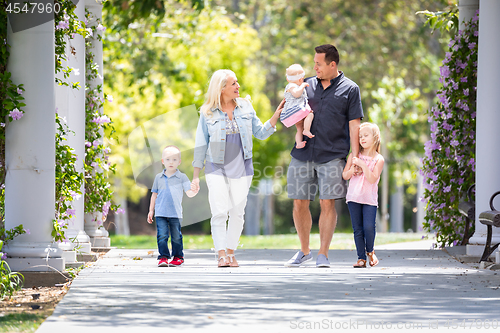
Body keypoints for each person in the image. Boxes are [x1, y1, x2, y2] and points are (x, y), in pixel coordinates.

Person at [192, 69, 284, 268]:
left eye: (237, 83)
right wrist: (196, 176)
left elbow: (260, 133)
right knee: (219, 213)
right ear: (222, 88)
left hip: (242, 167)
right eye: (233, 83)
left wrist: (275, 117)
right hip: (216, 168)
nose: (238, 86)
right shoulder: (207, 112)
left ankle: (231, 252)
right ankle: (221, 254)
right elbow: (201, 144)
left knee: (237, 212)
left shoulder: (246, 107)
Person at [285, 44, 364, 268]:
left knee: (327, 202)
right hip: (303, 152)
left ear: (332, 64)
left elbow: (354, 126)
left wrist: (354, 157)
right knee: (299, 201)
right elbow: (293, 107)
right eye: (314, 63)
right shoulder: (306, 85)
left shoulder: (350, 89)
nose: (314, 67)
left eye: (318, 64)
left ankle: (323, 253)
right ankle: (304, 250)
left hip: (333, 155)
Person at [148, 145, 199, 267]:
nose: (171, 162)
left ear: (179, 162)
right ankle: (163, 257)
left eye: (174, 160)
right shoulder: (158, 177)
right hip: (160, 212)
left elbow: (189, 193)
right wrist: (151, 211)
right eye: (168, 159)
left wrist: (194, 191)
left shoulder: (182, 177)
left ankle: (178, 256)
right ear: (162, 161)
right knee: (162, 236)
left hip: (175, 213)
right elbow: (154, 195)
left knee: (176, 236)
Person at [342, 122, 384, 268]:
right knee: (358, 229)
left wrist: (363, 164)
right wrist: (353, 169)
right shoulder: (354, 156)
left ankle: (370, 251)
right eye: (360, 136)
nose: (362, 139)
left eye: (366, 135)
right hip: (354, 197)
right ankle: (361, 258)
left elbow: (372, 179)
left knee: (368, 227)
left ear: (375, 137)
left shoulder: (379, 159)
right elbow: (345, 175)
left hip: (369, 199)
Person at [280, 64, 314, 149]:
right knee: (310, 114)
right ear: (300, 79)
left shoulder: (290, 85)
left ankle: (299, 143)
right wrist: (302, 86)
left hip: (293, 112)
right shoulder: (292, 86)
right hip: (297, 109)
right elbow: (297, 94)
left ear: (287, 79)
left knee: (299, 128)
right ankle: (306, 129)